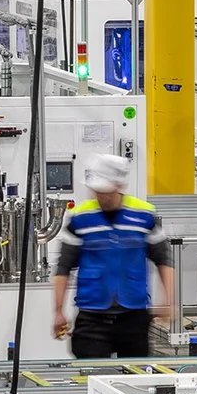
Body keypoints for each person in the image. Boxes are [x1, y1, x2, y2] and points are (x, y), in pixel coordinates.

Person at [51, 152, 175, 358]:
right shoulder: (80, 218)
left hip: (133, 316)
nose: (101, 197)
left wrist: (169, 302)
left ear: (119, 185)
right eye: (97, 191)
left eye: (105, 191)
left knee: (135, 381)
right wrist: (57, 310)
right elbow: (63, 267)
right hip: (92, 318)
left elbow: (164, 260)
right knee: (91, 378)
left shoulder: (144, 216)